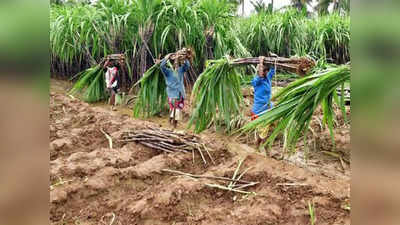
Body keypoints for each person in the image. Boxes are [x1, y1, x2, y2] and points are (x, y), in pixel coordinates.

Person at [157, 50, 191, 128]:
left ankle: (173, 122)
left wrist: (184, 58)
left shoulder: (180, 70)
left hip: (180, 93)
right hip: (172, 93)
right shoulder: (168, 72)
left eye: (177, 62)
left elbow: (187, 66)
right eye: (174, 62)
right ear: (171, 64)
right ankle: (172, 122)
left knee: (177, 109)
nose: (176, 63)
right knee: (174, 108)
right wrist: (166, 58)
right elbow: (162, 66)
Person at [251, 56, 276, 120]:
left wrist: (273, 58)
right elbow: (260, 75)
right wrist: (261, 62)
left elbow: (273, 70)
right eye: (265, 71)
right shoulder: (256, 80)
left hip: (268, 105)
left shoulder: (268, 78)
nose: (267, 72)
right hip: (259, 108)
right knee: (257, 125)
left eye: (267, 71)